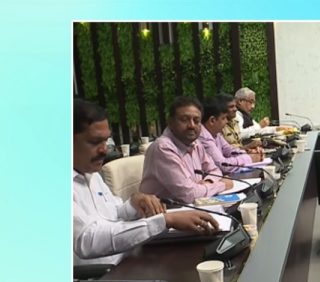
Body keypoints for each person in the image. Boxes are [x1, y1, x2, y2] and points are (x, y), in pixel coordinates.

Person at [73, 99, 219, 266]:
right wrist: (165, 221)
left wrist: (134, 203)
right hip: (101, 275)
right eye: (94, 142)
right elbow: (87, 241)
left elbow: (114, 214)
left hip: (130, 258)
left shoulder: (91, 173)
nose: (104, 150)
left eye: (105, 141)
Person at [140, 96, 233, 204]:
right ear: (170, 122)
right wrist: (222, 185)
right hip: (165, 212)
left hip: (192, 206)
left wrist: (208, 181)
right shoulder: (163, 148)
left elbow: (215, 170)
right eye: (184, 120)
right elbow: (189, 194)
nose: (192, 125)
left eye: (196, 121)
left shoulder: (195, 143)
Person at [199, 95, 264, 174]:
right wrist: (249, 158)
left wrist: (249, 153)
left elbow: (230, 151)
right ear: (212, 120)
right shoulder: (204, 137)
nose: (226, 121)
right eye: (223, 118)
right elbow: (223, 165)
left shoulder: (216, 133)